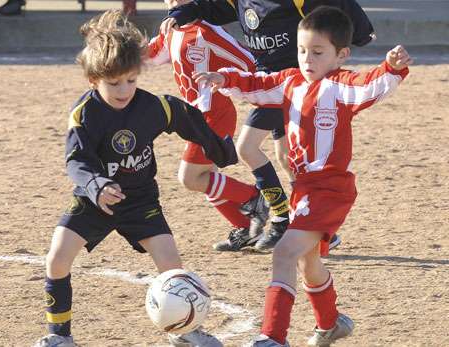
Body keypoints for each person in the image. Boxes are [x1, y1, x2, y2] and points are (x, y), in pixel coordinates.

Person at [194, 6, 411, 346]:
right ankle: (330, 323)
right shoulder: (291, 81)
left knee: (283, 253)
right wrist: (224, 79)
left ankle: (273, 337)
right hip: (304, 190)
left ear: (342, 55)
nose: (307, 59)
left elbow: (370, 86)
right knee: (309, 262)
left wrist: (392, 69)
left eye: (318, 52)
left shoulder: (340, 86)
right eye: (302, 50)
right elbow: (256, 85)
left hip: (330, 190)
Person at [32, 10, 239, 347]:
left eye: (131, 80)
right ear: (93, 80)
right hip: (94, 201)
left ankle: (186, 331)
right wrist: (97, 185)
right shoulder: (85, 114)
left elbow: (186, 117)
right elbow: (76, 161)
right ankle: (59, 336)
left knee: (172, 267)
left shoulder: (151, 106)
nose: (124, 89)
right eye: (113, 83)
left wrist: (219, 148)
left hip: (141, 199)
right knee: (56, 258)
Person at [162, 0, 375, 252]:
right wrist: (180, 13)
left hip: (292, 83)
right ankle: (316, 226)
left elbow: (339, 9)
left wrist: (360, 32)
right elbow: (210, 8)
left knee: (247, 147)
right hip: (269, 84)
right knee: (286, 157)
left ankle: (282, 218)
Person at [146, 0, 270, 252]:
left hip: (217, 113)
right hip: (195, 117)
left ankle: (254, 198)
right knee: (204, 176)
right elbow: (150, 56)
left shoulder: (207, 31)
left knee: (191, 177)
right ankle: (246, 228)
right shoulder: (170, 29)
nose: (173, 2)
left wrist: (226, 81)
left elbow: (248, 62)